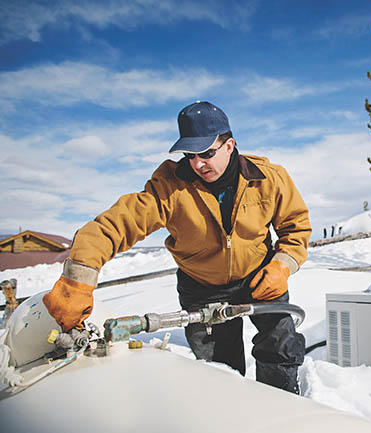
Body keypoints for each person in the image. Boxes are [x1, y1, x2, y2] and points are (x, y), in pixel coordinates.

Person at [43, 101, 312, 393]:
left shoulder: (270, 178)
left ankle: (283, 408)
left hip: (261, 278)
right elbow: (114, 225)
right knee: (219, 370)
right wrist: (77, 280)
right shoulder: (169, 188)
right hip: (202, 287)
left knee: (280, 345)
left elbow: (295, 227)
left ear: (229, 145)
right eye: (190, 155)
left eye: (207, 153)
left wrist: (283, 265)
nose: (198, 164)